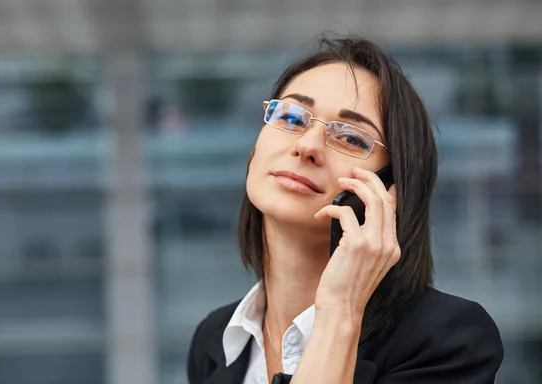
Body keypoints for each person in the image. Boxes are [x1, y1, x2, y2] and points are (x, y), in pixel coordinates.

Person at [187, 35, 504, 384]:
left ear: (389, 190)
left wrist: (340, 311)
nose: (307, 146)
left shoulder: (448, 341)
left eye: (351, 138)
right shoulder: (214, 341)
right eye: (292, 118)